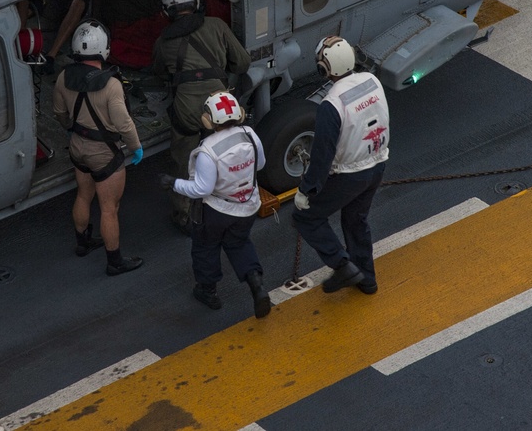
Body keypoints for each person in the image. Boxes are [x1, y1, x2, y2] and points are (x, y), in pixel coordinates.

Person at [152, 0, 251, 232]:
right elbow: (242, 63)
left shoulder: (163, 42)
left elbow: (160, 73)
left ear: (166, 12)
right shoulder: (216, 26)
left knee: (184, 160)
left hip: (186, 113)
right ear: (196, 3)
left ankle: (184, 215)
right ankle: (233, 197)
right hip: (219, 108)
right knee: (228, 152)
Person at [292, 36, 390, 294]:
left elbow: (322, 155)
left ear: (325, 69)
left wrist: (307, 190)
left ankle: (342, 265)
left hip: (350, 175)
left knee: (306, 217)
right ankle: (367, 279)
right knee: (356, 220)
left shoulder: (331, 104)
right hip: (378, 164)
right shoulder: (372, 81)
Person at [161, 91, 271, 318]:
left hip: (216, 211)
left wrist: (173, 183)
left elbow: (202, 189)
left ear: (208, 120)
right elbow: (259, 164)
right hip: (247, 207)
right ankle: (256, 284)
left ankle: (208, 291)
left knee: (205, 247)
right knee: (239, 243)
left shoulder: (207, 150)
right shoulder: (249, 134)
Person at [53, 19, 144, 276]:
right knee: (109, 209)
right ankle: (115, 262)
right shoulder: (111, 85)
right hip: (104, 155)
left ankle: (82, 244)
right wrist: (136, 147)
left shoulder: (63, 77)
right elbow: (124, 124)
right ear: (104, 48)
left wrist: (70, 128)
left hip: (78, 147)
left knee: (83, 195)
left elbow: (59, 112)